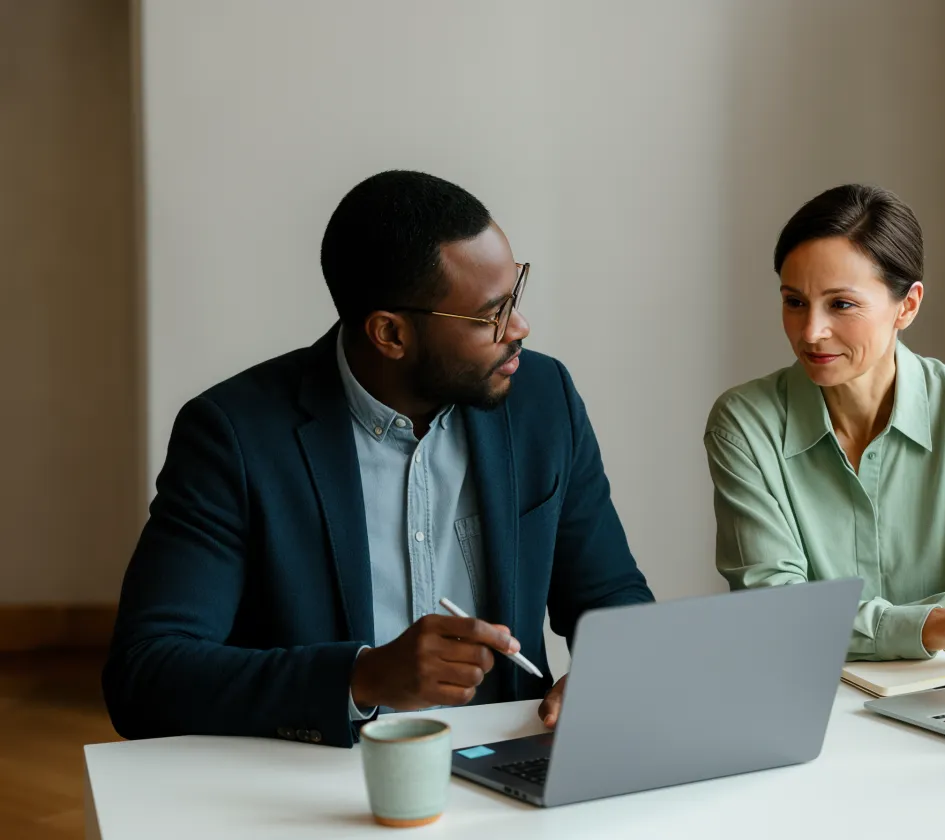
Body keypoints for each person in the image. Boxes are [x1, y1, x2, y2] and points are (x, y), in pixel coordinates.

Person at [104, 170, 654, 747]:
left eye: (515, 293)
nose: (519, 327)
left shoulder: (544, 400)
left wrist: (609, 670)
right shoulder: (234, 436)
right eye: (490, 314)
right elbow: (146, 676)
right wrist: (362, 676)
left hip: (511, 761)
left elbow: (612, 593)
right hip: (319, 778)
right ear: (390, 333)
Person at [704, 184, 945, 661]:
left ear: (908, 305)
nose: (811, 332)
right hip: (819, 706)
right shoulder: (746, 426)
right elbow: (775, 616)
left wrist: (842, 624)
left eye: (841, 304)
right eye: (794, 302)